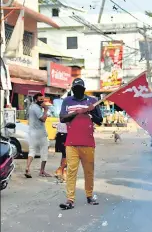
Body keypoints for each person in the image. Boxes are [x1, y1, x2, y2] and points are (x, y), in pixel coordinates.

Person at [59, 78, 103, 210]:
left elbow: (100, 120)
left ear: (84, 89)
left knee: (89, 172)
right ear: (72, 90)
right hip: (71, 143)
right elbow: (62, 118)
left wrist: (90, 111)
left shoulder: (92, 101)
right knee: (72, 171)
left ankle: (89, 196)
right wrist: (77, 112)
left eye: (80, 89)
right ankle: (70, 200)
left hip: (88, 143)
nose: (78, 91)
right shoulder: (67, 101)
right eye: (75, 89)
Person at [24, 93, 51, 178]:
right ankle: (42, 171)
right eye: (40, 100)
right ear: (35, 100)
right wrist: (46, 109)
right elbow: (43, 119)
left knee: (32, 151)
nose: (42, 101)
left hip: (32, 133)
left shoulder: (32, 107)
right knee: (44, 151)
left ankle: (27, 168)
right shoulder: (36, 108)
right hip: (40, 133)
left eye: (43, 99)